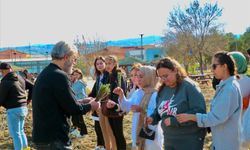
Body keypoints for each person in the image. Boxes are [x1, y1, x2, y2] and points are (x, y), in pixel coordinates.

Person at [32, 41, 99, 150]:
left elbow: (59, 102)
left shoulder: (47, 73)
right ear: (66, 57)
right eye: (74, 59)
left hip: (45, 136)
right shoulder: (59, 76)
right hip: (54, 139)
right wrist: (92, 105)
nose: (74, 63)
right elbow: (73, 109)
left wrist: (81, 101)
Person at [177, 51, 242, 150]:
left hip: (226, 144)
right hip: (223, 140)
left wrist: (191, 117)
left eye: (214, 66)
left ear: (224, 66)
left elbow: (216, 117)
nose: (212, 70)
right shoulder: (227, 85)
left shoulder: (229, 89)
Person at [146, 57, 207, 150]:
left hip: (189, 140)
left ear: (175, 70)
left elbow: (200, 111)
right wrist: (153, 117)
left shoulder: (189, 86)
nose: (163, 80)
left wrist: (175, 121)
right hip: (169, 139)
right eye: (160, 77)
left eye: (165, 76)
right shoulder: (163, 89)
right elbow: (160, 109)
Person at [112, 65, 163, 150]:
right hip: (138, 128)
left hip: (151, 131)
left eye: (141, 76)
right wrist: (121, 95)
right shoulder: (138, 92)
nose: (137, 79)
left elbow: (158, 113)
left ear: (149, 77)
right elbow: (127, 106)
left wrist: (142, 110)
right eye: (137, 76)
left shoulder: (156, 94)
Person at [0, 62, 30, 150]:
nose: (1, 74)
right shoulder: (20, 78)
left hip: (13, 109)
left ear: (3, 71)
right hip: (23, 107)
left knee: (15, 134)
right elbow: (32, 86)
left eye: (1, 71)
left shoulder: (5, 81)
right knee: (21, 131)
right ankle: (25, 148)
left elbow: (1, 98)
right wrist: (29, 99)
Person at [100, 55, 127, 150]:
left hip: (117, 107)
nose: (107, 65)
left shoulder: (119, 75)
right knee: (114, 133)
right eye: (106, 63)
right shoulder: (108, 75)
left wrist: (115, 103)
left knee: (118, 133)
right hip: (108, 107)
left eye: (109, 63)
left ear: (115, 63)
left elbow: (121, 91)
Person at [88, 56, 106, 150]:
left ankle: (105, 145)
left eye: (101, 63)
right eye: (97, 64)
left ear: (105, 63)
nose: (99, 65)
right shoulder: (99, 76)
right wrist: (88, 97)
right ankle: (100, 145)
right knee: (97, 126)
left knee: (103, 127)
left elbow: (105, 91)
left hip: (104, 105)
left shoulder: (108, 75)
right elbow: (94, 90)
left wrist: (96, 99)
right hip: (97, 104)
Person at [69, 68, 88, 138]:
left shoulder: (80, 83)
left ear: (80, 75)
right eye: (74, 75)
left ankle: (83, 132)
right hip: (75, 102)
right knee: (75, 119)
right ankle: (77, 132)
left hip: (80, 102)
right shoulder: (74, 82)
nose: (75, 76)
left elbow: (73, 91)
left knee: (79, 119)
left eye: (77, 74)